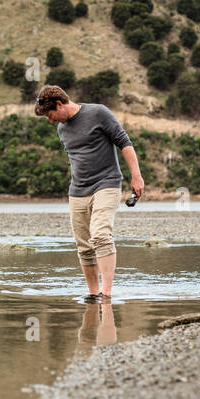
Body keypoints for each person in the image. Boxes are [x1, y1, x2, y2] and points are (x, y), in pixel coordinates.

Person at [33, 85, 144, 301]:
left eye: (50, 114)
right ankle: (94, 294)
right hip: (77, 191)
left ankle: (107, 294)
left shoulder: (98, 113)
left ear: (59, 104)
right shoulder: (62, 129)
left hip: (107, 184)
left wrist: (136, 176)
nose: (51, 120)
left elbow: (124, 143)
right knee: (84, 247)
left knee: (101, 235)